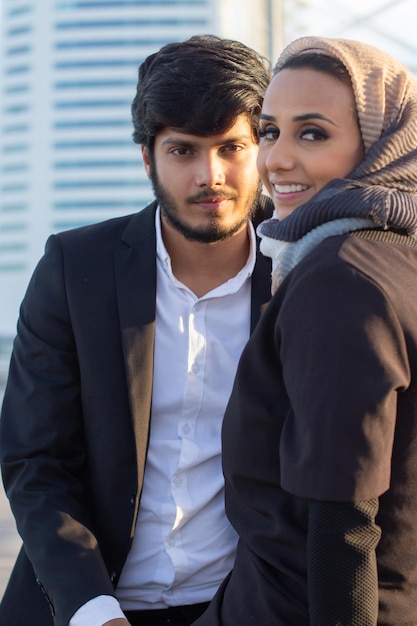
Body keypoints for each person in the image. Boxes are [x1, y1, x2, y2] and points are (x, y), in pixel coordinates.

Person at [0, 35, 272, 626]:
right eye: (183, 151)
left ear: (262, 149)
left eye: (232, 146)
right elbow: (35, 460)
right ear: (147, 157)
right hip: (86, 605)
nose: (211, 175)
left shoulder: (304, 274)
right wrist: (94, 611)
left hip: (248, 606)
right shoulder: (75, 269)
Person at [193, 36, 417, 625]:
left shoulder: (338, 279)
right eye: (270, 131)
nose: (276, 161)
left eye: (313, 133)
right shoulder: (395, 256)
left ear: (380, 144)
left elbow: (345, 522)